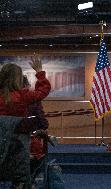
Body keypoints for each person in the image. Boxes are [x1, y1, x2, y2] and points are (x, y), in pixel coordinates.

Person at [0, 57, 51, 189]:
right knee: (20, 177)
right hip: (18, 143)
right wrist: (39, 72)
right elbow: (43, 91)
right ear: (17, 78)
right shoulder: (24, 95)